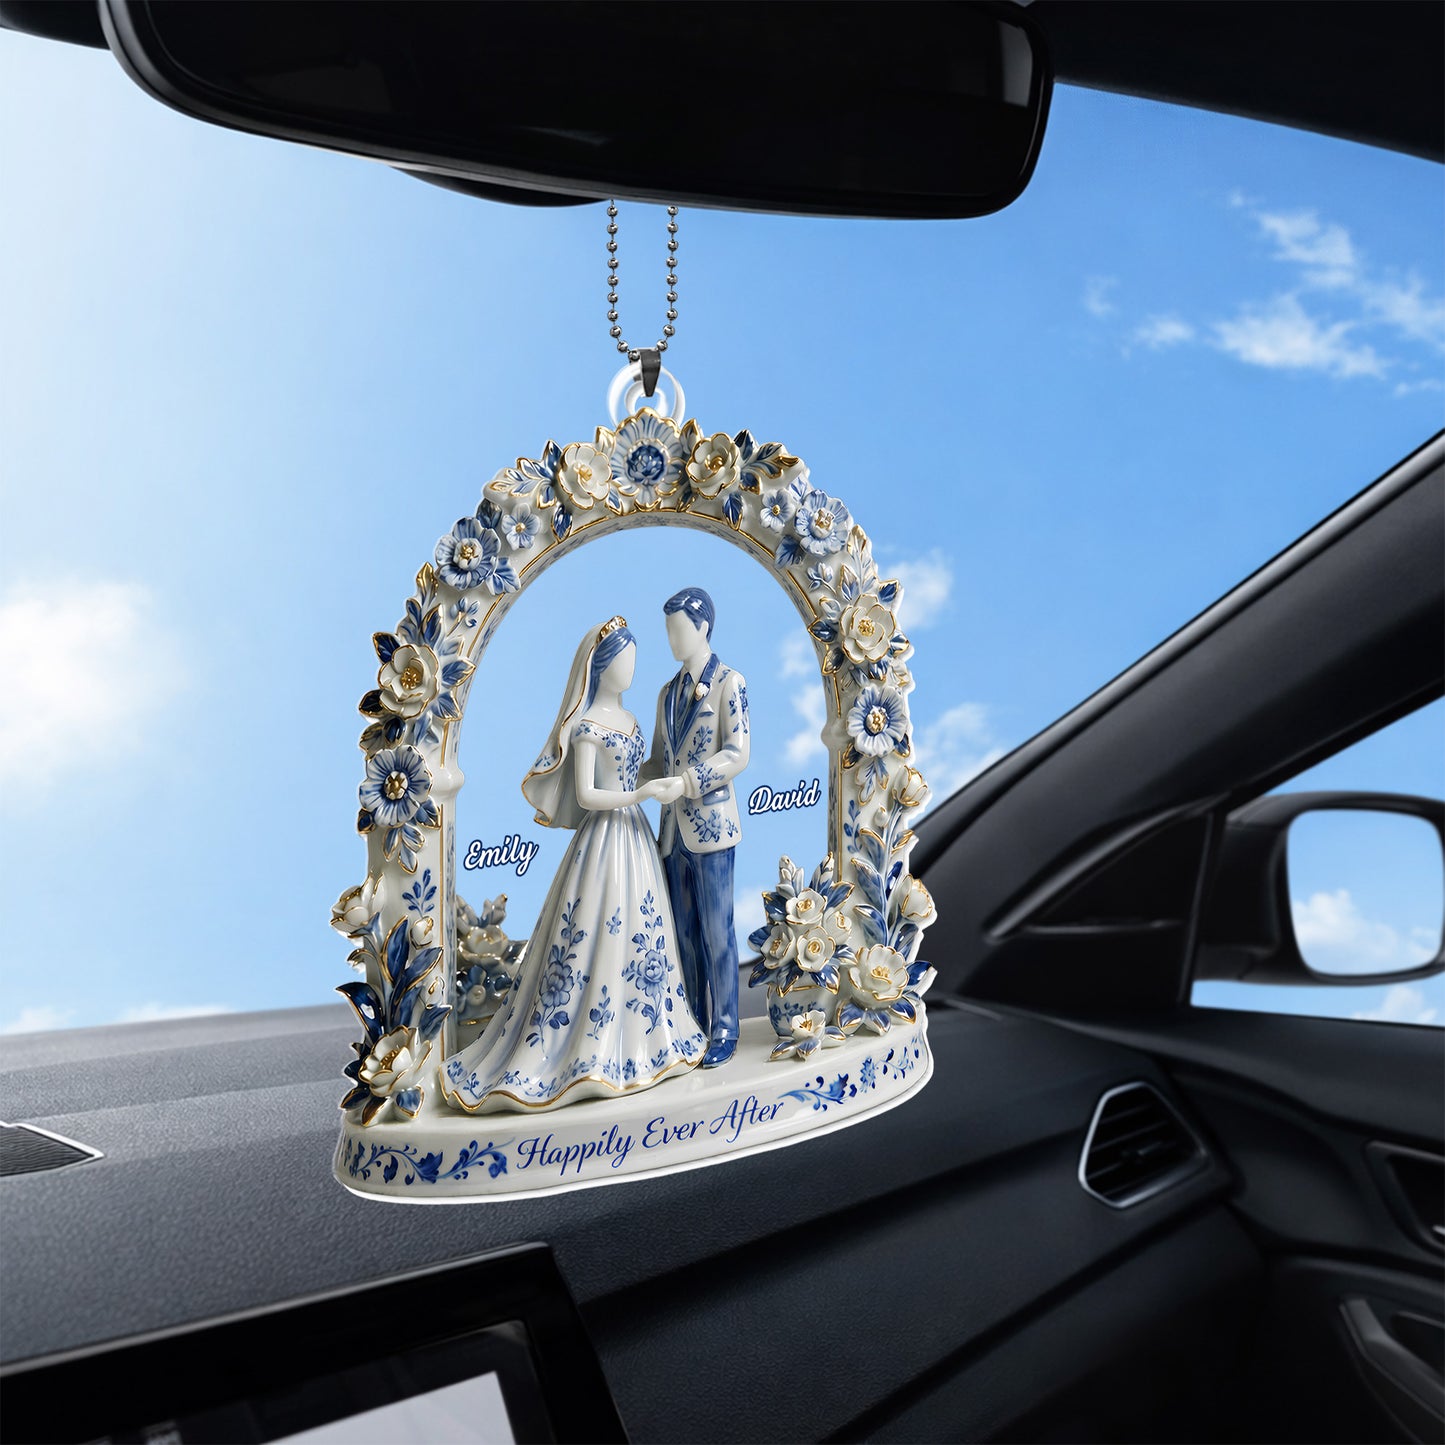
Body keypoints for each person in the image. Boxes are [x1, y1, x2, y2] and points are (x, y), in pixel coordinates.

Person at [440, 616, 705, 1113]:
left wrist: (668, 776)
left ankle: (645, 1037)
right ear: (601, 666)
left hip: (635, 841)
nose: (631, 669)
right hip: (605, 838)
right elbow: (587, 795)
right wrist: (640, 794)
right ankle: (584, 1046)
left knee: (641, 929)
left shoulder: (630, 721)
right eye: (624, 660)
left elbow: (644, 767)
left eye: (633, 660)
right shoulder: (587, 728)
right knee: (591, 932)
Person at [641, 586, 750, 1068]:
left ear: (703, 627)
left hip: (711, 828)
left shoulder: (729, 683)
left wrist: (686, 783)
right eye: (668, 630)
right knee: (682, 933)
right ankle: (692, 1024)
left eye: (678, 629)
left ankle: (725, 1027)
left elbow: (737, 754)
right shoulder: (666, 694)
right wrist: (622, 773)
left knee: (716, 933)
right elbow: (659, 760)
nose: (671, 638)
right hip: (672, 833)